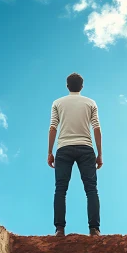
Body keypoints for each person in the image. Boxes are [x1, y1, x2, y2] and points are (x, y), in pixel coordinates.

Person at [47, 72, 103, 237]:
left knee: (60, 189)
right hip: (86, 148)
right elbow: (97, 128)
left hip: (64, 148)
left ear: (67, 86)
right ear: (82, 87)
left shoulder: (58, 103)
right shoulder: (90, 103)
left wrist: (50, 152)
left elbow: (53, 128)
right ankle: (94, 229)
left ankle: (59, 229)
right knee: (91, 189)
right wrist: (99, 154)